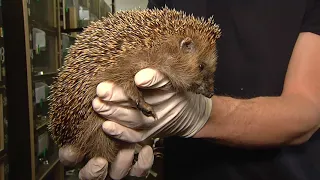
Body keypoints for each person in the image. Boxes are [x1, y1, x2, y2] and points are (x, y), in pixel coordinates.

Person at [59, 0, 320, 179]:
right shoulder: (161, 38)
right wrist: (138, 134)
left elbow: (308, 109)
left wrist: (204, 116)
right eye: (202, 69)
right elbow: (136, 39)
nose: (208, 86)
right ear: (184, 46)